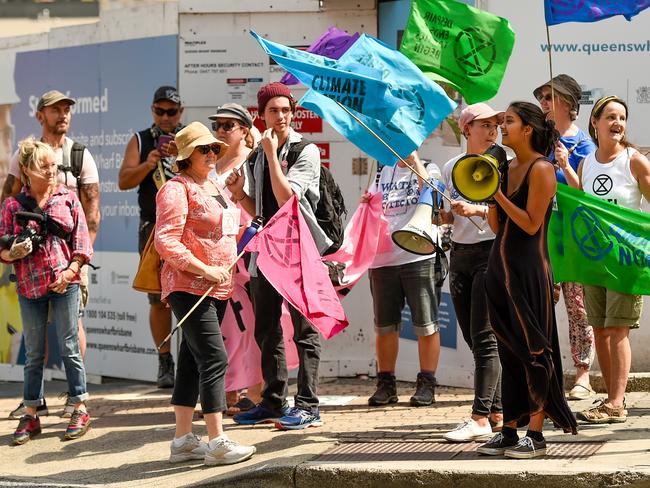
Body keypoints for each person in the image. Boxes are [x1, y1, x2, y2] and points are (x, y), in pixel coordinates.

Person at [477, 102, 577, 459]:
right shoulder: (506, 167)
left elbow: (531, 224)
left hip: (529, 270)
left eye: (509, 122)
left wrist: (499, 194)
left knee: (534, 351)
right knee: (508, 350)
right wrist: (491, 199)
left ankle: (535, 433)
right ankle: (509, 429)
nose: (502, 128)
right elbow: (497, 227)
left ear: (528, 129)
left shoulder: (542, 169)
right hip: (499, 269)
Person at [227, 82, 328, 430]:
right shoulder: (258, 155)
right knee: (266, 329)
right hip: (266, 251)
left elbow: (288, 201)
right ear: (261, 115)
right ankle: (272, 401)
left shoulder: (305, 150)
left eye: (286, 109)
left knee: (304, 330)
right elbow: (261, 209)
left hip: (299, 250)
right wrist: (241, 195)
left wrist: (271, 156)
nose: (282, 116)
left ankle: (308, 405)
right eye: (274, 110)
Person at [155, 121, 256, 466]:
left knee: (191, 362)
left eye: (214, 148)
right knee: (215, 359)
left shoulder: (213, 184)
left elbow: (225, 229)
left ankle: (183, 440)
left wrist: (248, 228)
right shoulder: (175, 188)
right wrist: (204, 268)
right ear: (186, 156)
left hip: (218, 287)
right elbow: (165, 241)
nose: (212, 153)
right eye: (204, 149)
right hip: (190, 286)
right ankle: (217, 441)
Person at [2, 90, 100, 419]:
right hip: (31, 266)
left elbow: (92, 211)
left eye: (67, 109)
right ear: (40, 115)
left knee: (73, 331)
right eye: (55, 109)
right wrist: (11, 249)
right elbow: (9, 202)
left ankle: (76, 400)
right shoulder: (23, 155)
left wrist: (78, 261)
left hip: (70, 260)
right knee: (34, 339)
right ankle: (36, 399)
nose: (63, 115)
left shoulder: (79, 155)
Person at [563, 96, 650, 424]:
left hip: (625, 261)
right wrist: (566, 168)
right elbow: (584, 203)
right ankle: (613, 399)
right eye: (611, 117)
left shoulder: (635, 161)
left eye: (622, 118)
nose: (618, 123)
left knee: (617, 329)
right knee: (599, 328)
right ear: (595, 124)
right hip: (593, 260)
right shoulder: (587, 163)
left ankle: (615, 403)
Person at [441, 104, 503, 441]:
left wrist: (476, 208)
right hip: (460, 255)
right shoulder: (451, 167)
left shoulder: (502, 163)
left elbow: (502, 213)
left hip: (490, 254)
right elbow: (453, 216)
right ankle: (496, 410)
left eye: (495, 125)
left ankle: (479, 418)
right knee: (471, 336)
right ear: (467, 130)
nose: (492, 131)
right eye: (484, 125)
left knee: (484, 336)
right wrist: (445, 216)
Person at [534, 74, 597, 401]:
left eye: (549, 96)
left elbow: (589, 196)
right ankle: (544, 373)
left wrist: (564, 163)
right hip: (540, 232)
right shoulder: (539, 141)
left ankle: (583, 373)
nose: (543, 102)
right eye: (541, 97)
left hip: (572, 237)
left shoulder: (585, 145)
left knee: (577, 306)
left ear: (569, 104)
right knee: (540, 303)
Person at [361, 151, 441, 407]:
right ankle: (386, 384)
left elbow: (434, 197)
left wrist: (416, 162)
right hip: (383, 259)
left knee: (426, 324)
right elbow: (371, 205)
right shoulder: (380, 170)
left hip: (419, 256)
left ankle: (426, 383)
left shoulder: (430, 166)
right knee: (384, 325)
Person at [118, 86, 184, 388]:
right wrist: (149, 162)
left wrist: (180, 155)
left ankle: (192, 360)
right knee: (158, 299)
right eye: (160, 111)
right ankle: (165, 362)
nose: (166, 117)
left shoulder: (191, 136)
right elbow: (123, 181)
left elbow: (211, 172)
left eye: (171, 111)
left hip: (188, 227)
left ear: (180, 112)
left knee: (189, 294)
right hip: (153, 228)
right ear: (152, 110)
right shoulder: (141, 139)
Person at [207, 103, 262, 415]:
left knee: (252, 329)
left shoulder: (253, 163)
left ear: (244, 129)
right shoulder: (210, 165)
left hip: (246, 256)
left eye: (229, 125)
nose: (222, 131)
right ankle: (227, 394)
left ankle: (255, 395)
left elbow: (256, 209)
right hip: (216, 259)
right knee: (224, 330)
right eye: (218, 125)